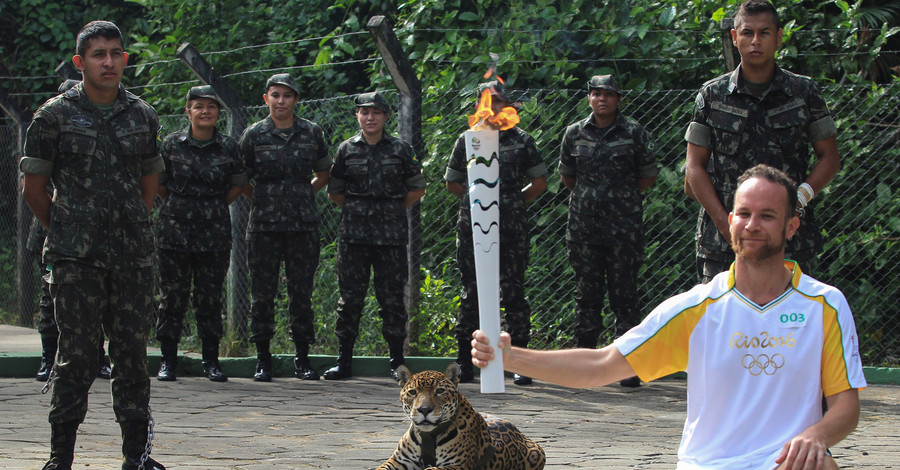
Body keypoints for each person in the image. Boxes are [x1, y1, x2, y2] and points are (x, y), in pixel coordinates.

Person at [472, 164, 866, 470]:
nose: (752, 225)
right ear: (729, 222)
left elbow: (845, 408)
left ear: (791, 226)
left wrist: (816, 436)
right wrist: (512, 357)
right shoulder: (697, 308)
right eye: (743, 213)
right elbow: (601, 365)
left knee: (820, 463)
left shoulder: (824, 305)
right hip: (708, 465)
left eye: (767, 216)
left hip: (784, 463)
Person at [20, 20, 166, 470]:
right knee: (76, 360)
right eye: (99, 54)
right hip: (75, 262)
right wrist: (67, 231)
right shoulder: (54, 115)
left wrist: (127, 225)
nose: (109, 61)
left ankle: (136, 458)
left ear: (125, 58)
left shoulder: (142, 115)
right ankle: (59, 459)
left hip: (132, 260)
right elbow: (34, 188)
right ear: (81, 62)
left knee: (132, 360)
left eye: (116, 53)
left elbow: (149, 184)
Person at [684, 0, 841, 284]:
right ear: (734, 37)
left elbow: (829, 157)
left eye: (764, 33)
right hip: (722, 243)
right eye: (747, 33)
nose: (755, 41)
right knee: (720, 323)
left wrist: (801, 197)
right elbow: (694, 167)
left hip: (789, 236)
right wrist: (725, 222)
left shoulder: (804, 92)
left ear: (779, 37)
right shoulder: (712, 95)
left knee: (791, 321)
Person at [558, 74, 658, 387]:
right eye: (596, 94)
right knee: (586, 296)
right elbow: (568, 177)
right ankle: (584, 366)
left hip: (623, 229)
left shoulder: (634, 133)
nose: (602, 99)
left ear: (618, 98)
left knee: (624, 297)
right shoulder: (574, 133)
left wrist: (618, 199)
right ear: (589, 98)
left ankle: (626, 367)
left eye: (609, 94)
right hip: (584, 229)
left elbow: (647, 175)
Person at [445, 81, 547, 385]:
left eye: (498, 100)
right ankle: (465, 361)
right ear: (478, 104)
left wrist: (510, 203)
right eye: (486, 100)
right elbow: (452, 183)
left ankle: (518, 363)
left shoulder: (522, 140)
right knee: (471, 292)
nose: (492, 105)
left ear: (507, 104)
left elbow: (539, 183)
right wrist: (480, 204)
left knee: (513, 292)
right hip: (474, 228)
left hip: (511, 229)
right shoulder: (469, 139)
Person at [324, 91, 426, 381]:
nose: (370, 118)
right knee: (350, 300)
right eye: (364, 113)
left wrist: (389, 210)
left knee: (392, 300)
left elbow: (417, 189)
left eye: (376, 113)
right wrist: (361, 210)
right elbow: (335, 192)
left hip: (391, 238)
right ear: (357, 116)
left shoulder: (400, 150)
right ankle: (344, 361)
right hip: (354, 238)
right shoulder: (346, 150)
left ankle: (397, 361)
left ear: (385, 116)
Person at [240, 73, 331, 382]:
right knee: (262, 294)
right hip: (264, 227)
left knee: (301, 294)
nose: (281, 101)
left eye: (287, 96)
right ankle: (262, 359)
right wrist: (264, 200)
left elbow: (323, 172)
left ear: (296, 100)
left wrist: (303, 194)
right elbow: (242, 179)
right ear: (266, 99)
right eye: (275, 95)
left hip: (302, 226)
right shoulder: (254, 135)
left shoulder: (311, 132)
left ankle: (302, 359)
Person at [154, 85, 247, 383]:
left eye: (211, 106)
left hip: (213, 233)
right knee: (172, 297)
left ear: (218, 112)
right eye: (198, 106)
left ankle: (211, 361)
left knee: (209, 300)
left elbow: (236, 187)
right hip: (174, 232)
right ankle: (168, 360)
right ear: (188, 110)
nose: (205, 111)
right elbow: (159, 184)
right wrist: (182, 205)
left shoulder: (229, 147)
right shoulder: (171, 144)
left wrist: (211, 206)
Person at [30, 79, 111, 383]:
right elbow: (34, 188)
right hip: (54, 231)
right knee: (50, 298)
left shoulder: (95, 138)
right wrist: (58, 227)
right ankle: (48, 359)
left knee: (100, 298)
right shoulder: (48, 131)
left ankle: (99, 358)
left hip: (94, 233)